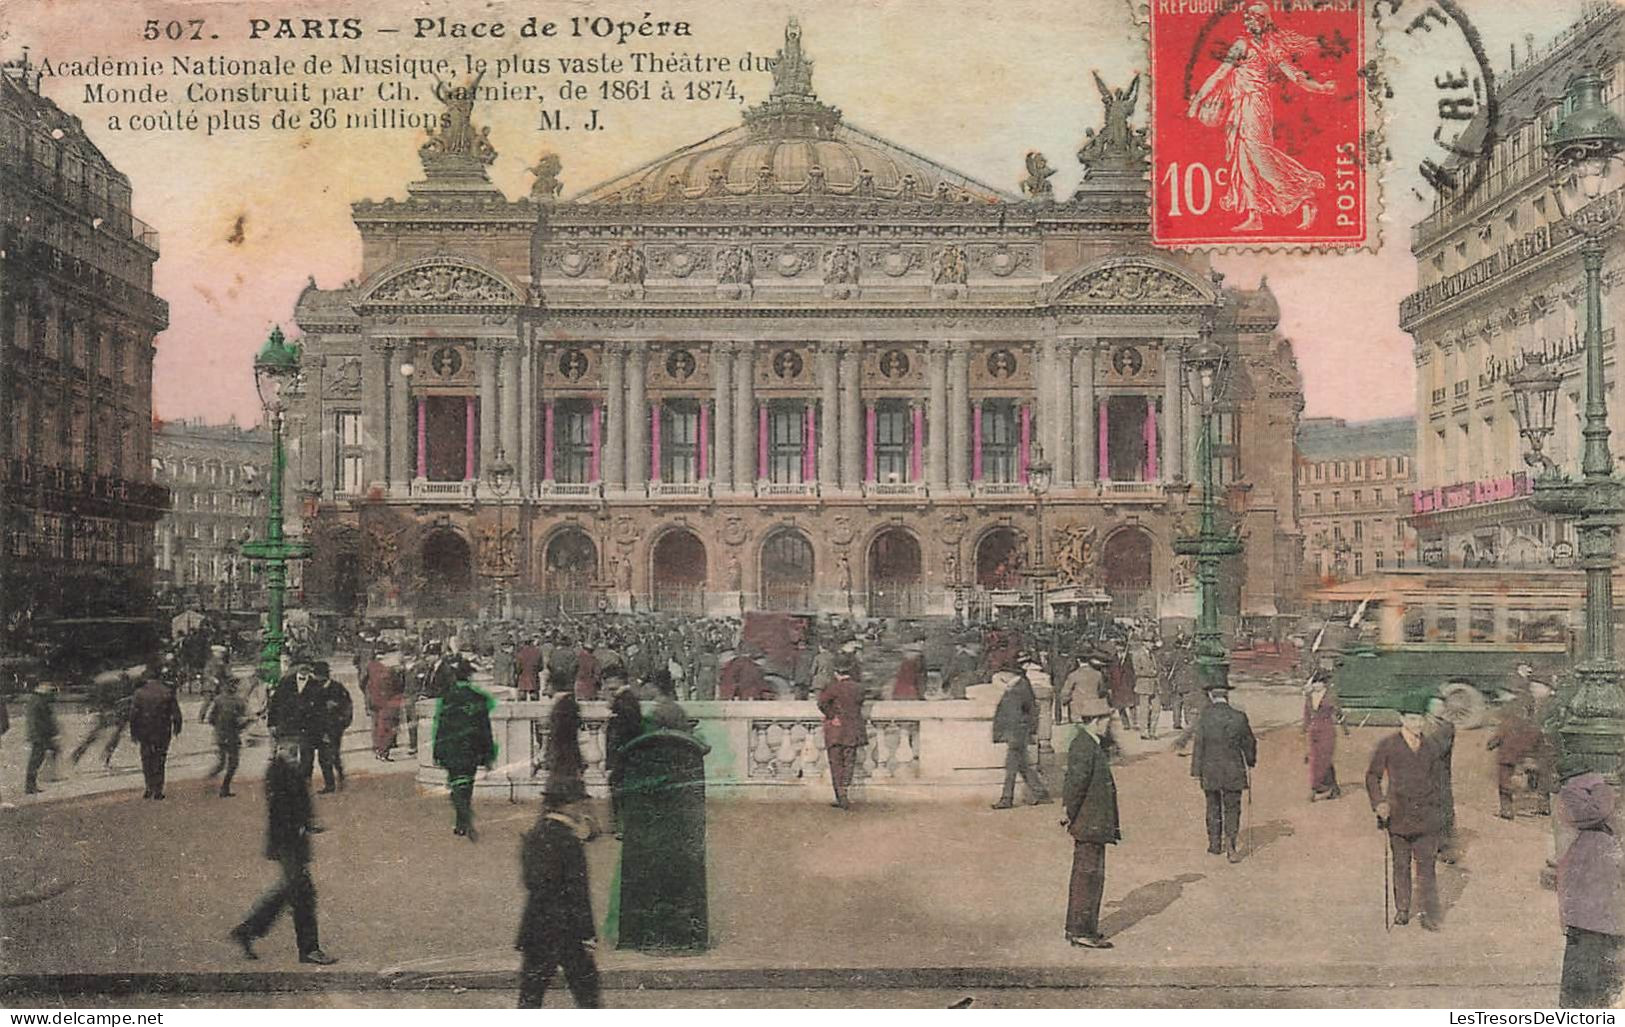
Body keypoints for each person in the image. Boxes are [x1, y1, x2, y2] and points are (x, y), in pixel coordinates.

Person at [228, 737, 336, 965]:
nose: (293, 754)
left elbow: (299, 803)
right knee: (302, 893)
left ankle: (248, 931)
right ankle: (308, 949)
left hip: (292, 841)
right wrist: (301, 825)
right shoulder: (278, 772)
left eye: (295, 750)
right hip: (287, 841)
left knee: (292, 891)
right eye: (289, 750)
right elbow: (281, 809)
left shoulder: (288, 768)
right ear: (278, 749)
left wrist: (308, 823)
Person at [1366, 690, 1448, 931]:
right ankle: (1402, 908)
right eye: (1412, 719)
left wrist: (1438, 811)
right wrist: (1379, 803)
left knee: (1427, 866)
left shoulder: (1432, 746)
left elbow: (1439, 780)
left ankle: (1428, 913)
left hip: (1426, 817)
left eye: (1420, 719)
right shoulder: (1389, 745)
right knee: (1401, 864)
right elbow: (1372, 776)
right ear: (1402, 719)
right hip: (1398, 816)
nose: (1417, 724)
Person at [516, 785, 601, 1008]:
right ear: (568, 806)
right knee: (586, 991)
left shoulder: (535, 834)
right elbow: (577, 891)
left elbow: (531, 881)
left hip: (536, 924)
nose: (581, 809)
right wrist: (587, 932)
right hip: (567, 928)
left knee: (531, 993)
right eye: (579, 804)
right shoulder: (570, 841)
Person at [1554, 760, 1624, 1008]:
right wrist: (1602, 787)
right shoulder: (1577, 793)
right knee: (1588, 973)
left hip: (1601, 903)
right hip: (1591, 901)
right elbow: (1595, 813)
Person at [1061, 689, 1120, 949]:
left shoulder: (1089, 743)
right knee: (1087, 877)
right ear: (1096, 721)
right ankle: (1080, 930)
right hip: (1088, 822)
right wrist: (1068, 813)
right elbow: (1076, 784)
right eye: (1107, 720)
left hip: (1092, 821)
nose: (1109, 725)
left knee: (1091, 875)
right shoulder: (1085, 745)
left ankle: (1082, 928)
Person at [1190, 677, 1257, 862]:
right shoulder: (1239, 716)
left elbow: (1199, 744)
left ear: (1212, 696)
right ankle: (1231, 845)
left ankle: (1214, 845)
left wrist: (1196, 771)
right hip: (1233, 770)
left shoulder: (1205, 716)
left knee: (1212, 806)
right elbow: (1249, 742)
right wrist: (1250, 761)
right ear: (1226, 695)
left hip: (1210, 769)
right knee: (1232, 808)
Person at [432, 659, 497, 840]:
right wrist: (488, 754)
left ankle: (462, 820)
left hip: (452, 747)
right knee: (468, 783)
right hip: (472, 748)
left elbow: (441, 727)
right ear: (469, 676)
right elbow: (485, 728)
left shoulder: (448, 698)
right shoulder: (479, 698)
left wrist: (437, 751)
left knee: (455, 783)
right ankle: (463, 818)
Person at [991, 666, 1051, 809]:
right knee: (1022, 766)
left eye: (1002, 673)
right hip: (1017, 731)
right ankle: (1041, 793)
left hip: (1016, 732)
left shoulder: (1018, 688)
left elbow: (1020, 712)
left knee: (1011, 767)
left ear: (1010, 673)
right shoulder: (1018, 686)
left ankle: (1007, 798)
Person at [1489, 678, 1549, 819]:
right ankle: (1540, 807)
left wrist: (1491, 744)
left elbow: (1499, 735)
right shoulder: (1533, 722)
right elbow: (1539, 739)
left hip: (1508, 756)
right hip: (1527, 757)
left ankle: (1507, 810)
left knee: (1504, 783)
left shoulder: (1509, 718)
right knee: (1533, 780)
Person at [818, 655, 866, 810]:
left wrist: (832, 716)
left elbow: (821, 703)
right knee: (849, 762)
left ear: (836, 672)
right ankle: (845, 790)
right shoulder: (858, 688)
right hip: (853, 729)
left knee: (836, 763)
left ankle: (840, 795)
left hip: (836, 730)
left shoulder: (833, 687)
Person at [129, 673, 182, 800]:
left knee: (146, 758)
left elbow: (133, 715)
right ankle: (158, 789)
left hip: (145, 730)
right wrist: (177, 727)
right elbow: (176, 713)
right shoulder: (167, 691)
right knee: (160, 759)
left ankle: (149, 787)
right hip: (162, 729)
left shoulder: (139, 693)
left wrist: (133, 732)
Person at [71, 673, 132, 768]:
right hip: (116, 715)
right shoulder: (119, 690)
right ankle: (102, 757)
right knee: (107, 737)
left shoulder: (118, 689)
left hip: (116, 715)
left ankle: (79, 755)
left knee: (101, 737)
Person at [1425, 695, 1459, 864]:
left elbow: (1440, 748)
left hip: (1440, 775)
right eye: (1435, 705)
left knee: (1444, 809)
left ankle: (1444, 847)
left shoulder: (1447, 727)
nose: (1439, 709)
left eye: (1441, 706)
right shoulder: (1420, 724)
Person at [1302, 669, 1346, 802]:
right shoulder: (1309, 697)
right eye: (1314, 682)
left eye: (1318, 682)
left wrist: (1346, 730)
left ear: (1324, 684)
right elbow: (1306, 714)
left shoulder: (1331, 697)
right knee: (1316, 759)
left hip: (1327, 730)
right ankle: (1334, 788)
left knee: (1324, 759)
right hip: (1313, 732)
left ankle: (1315, 788)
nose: (1315, 685)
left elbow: (1339, 714)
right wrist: (1304, 730)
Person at [605, 684, 642, 837]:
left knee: (619, 788)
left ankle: (621, 826)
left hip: (622, 754)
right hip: (629, 753)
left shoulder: (622, 703)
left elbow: (618, 734)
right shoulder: (628, 700)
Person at [205, 677, 251, 797]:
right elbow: (242, 721)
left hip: (220, 735)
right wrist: (245, 723)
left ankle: (210, 778)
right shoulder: (239, 701)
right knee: (233, 763)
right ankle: (224, 787)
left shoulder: (218, 700)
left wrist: (219, 727)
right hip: (232, 736)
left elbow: (210, 719)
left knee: (221, 762)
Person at [311, 664, 353, 793]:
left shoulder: (337, 688)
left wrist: (342, 720)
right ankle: (330, 784)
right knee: (323, 758)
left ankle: (340, 776)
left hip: (334, 727)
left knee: (333, 755)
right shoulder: (312, 688)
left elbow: (348, 706)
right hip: (318, 727)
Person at [544, 687, 589, 806]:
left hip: (563, 758)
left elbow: (559, 736)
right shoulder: (568, 704)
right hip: (568, 757)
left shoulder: (562, 707)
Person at [364, 651, 404, 760]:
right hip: (388, 703)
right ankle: (383, 751)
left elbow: (364, 682)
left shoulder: (371, 666)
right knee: (388, 727)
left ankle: (378, 748)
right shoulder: (392, 671)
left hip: (374, 701)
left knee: (377, 725)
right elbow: (399, 686)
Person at [23, 681, 58, 796]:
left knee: (40, 758)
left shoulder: (38, 701)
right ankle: (31, 785)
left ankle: (36, 782)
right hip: (39, 735)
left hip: (42, 735)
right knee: (36, 760)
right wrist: (36, 735)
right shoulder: (37, 701)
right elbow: (34, 721)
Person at [1058, 656, 1105, 725]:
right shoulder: (1098, 674)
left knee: (1077, 727)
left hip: (1077, 706)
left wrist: (1064, 701)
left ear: (1078, 661)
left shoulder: (1074, 674)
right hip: (1093, 706)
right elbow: (1102, 690)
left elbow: (1066, 691)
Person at [1132, 634, 1161, 739]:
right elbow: (1137, 671)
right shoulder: (1137, 654)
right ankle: (1144, 732)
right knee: (1144, 710)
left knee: (1156, 709)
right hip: (1143, 685)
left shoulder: (1153, 654)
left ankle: (1152, 731)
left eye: (1152, 642)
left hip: (1155, 685)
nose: (1151, 644)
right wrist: (1151, 673)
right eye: (1149, 642)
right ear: (1144, 642)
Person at [1106, 641, 1137, 733]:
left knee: (1131, 704)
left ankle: (1134, 722)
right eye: (1117, 647)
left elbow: (1133, 670)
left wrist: (1133, 682)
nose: (1119, 649)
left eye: (1120, 647)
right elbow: (1109, 673)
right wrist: (1109, 685)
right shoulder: (1112, 659)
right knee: (1120, 706)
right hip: (1117, 685)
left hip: (1127, 683)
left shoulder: (1129, 657)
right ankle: (1125, 724)